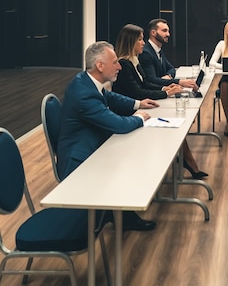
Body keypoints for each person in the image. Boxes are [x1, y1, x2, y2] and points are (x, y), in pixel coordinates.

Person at [57, 41, 157, 231]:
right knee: (130, 155)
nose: (119, 66)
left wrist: (138, 103)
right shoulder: (84, 94)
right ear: (100, 66)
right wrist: (139, 118)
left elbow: (110, 97)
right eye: (115, 62)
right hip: (79, 161)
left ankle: (122, 215)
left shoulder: (87, 81)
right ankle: (120, 215)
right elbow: (118, 124)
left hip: (91, 145)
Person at [113, 23, 207, 179]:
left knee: (176, 123)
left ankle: (188, 162)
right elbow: (137, 92)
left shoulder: (134, 61)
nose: (143, 43)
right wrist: (166, 93)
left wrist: (166, 89)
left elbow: (146, 84)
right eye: (140, 40)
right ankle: (187, 163)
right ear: (131, 42)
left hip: (142, 107)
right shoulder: (125, 64)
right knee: (173, 123)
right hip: (130, 113)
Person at [140, 18, 196, 90]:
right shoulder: (145, 53)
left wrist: (168, 76)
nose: (168, 34)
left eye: (168, 31)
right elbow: (151, 79)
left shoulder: (158, 50)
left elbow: (171, 68)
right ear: (153, 33)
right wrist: (179, 81)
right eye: (164, 31)